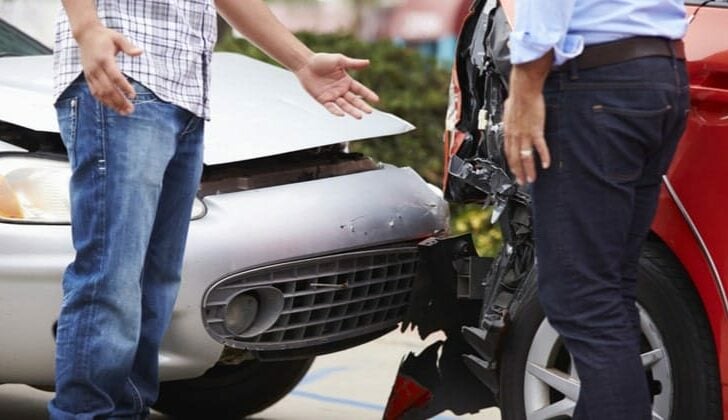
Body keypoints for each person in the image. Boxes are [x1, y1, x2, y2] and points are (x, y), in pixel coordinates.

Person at [50, 0, 378, 418]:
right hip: (123, 77)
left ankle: (124, 412)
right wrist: (86, 27)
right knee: (110, 276)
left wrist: (302, 62)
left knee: (156, 283)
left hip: (184, 95)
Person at [503, 1, 689, 418]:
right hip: (661, 74)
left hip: (597, 82)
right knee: (609, 292)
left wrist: (525, 84)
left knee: (582, 298)